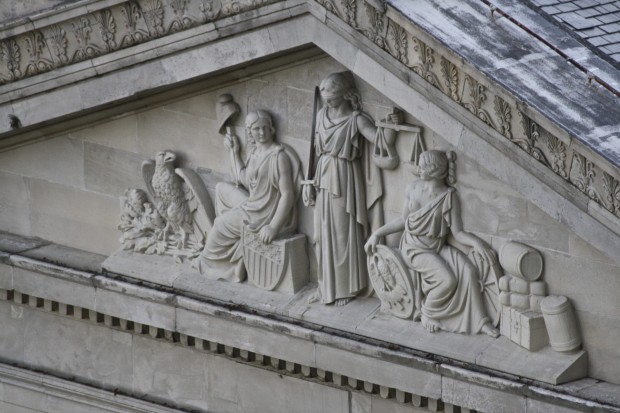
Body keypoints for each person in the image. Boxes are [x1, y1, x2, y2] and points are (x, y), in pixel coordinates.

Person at [365, 150, 499, 337]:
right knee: (448, 280)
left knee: (468, 271)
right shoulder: (412, 188)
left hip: (436, 247)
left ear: (435, 170)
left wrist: (476, 243)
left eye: (423, 165)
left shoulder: (448, 196)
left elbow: (458, 233)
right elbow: (403, 221)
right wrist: (377, 233)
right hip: (413, 249)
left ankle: (481, 322)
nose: (418, 168)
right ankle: (427, 312)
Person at [304, 72, 399, 306]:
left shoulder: (356, 120)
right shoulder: (321, 114)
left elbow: (378, 140)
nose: (328, 103)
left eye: (333, 99)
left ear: (346, 96)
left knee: (341, 234)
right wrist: (309, 184)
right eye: (326, 98)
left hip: (344, 178)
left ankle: (345, 288)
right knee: (320, 234)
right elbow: (315, 154)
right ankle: (325, 285)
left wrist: (391, 127)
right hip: (323, 176)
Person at [194, 110, 300, 281]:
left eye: (265, 128)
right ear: (250, 132)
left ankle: (209, 264)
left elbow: (287, 195)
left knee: (220, 224)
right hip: (253, 203)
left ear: (271, 129)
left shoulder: (278, 157)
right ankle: (237, 256)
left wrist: (273, 227)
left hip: (264, 212)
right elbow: (243, 178)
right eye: (257, 129)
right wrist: (234, 152)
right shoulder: (254, 153)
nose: (262, 133)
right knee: (221, 189)